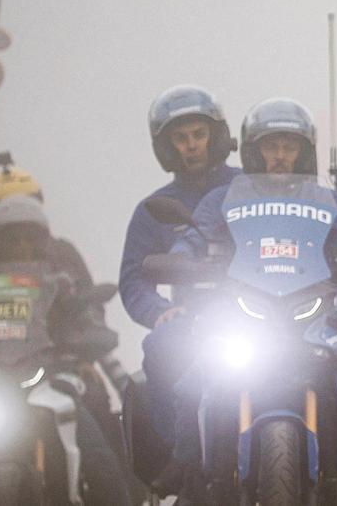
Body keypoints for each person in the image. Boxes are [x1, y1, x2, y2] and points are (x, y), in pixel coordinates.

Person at [172, 97, 337, 498]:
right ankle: (190, 476)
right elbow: (193, 238)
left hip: (315, 317)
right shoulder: (223, 199)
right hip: (238, 316)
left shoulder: (330, 201)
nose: (280, 155)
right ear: (253, 151)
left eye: (289, 146)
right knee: (191, 384)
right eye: (271, 146)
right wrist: (178, 258)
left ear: (304, 151)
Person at [118, 85, 241, 494]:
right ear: (166, 147)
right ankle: (184, 461)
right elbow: (133, 279)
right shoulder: (153, 209)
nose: (191, 145)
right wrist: (159, 312)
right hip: (193, 321)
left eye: (199, 134)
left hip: (264, 312)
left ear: (216, 136)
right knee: (161, 345)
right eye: (180, 138)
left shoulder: (251, 187)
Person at [0, 195, 132, 505]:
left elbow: (86, 325)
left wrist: (81, 350)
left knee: (100, 460)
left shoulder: (61, 286)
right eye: (12, 239)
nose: (21, 246)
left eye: (29, 238)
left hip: (50, 384)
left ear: (43, 242)